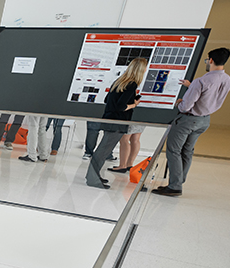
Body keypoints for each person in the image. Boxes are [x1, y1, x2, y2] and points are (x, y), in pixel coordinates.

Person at [154, 47, 230, 197]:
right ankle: (178, 181)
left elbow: (186, 106)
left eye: (207, 60)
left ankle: (175, 187)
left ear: (211, 60)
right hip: (204, 121)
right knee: (187, 151)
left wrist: (179, 103)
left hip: (188, 120)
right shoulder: (226, 79)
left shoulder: (201, 80)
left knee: (174, 151)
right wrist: (191, 87)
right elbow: (210, 93)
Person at [86, 58, 146, 190]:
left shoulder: (119, 81)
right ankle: (92, 178)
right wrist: (133, 104)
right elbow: (121, 106)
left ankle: (93, 175)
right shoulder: (132, 84)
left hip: (109, 119)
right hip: (117, 122)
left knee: (102, 150)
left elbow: (107, 99)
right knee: (103, 151)